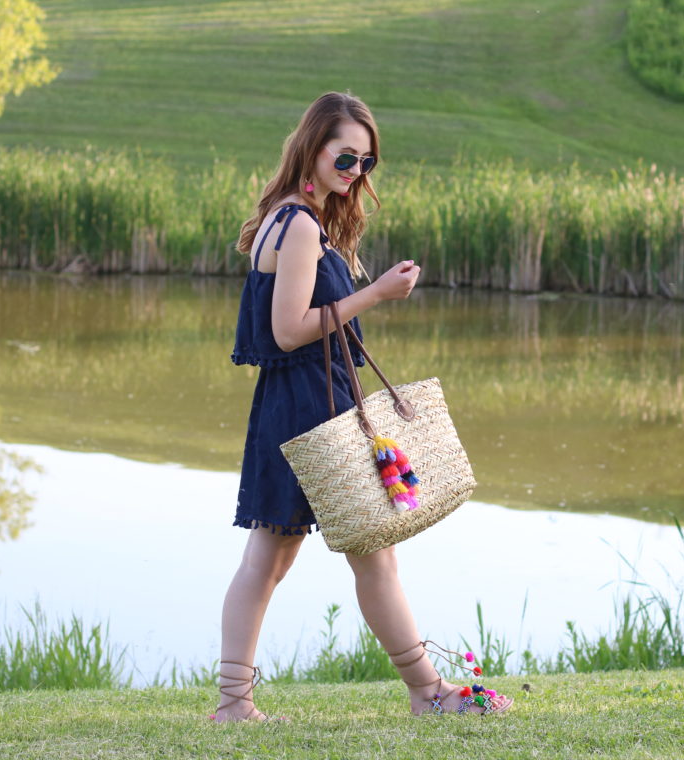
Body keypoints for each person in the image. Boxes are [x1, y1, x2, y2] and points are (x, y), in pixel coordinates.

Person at [214, 92, 513, 722]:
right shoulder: (297, 224)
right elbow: (290, 329)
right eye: (345, 158)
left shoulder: (290, 215)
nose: (355, 173)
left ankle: (235, 703)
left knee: (271, 557)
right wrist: (375, 293)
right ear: (313, 147)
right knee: (368, 555)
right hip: (309, 404)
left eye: (366, 164)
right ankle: (428, 693)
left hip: (294, 402)